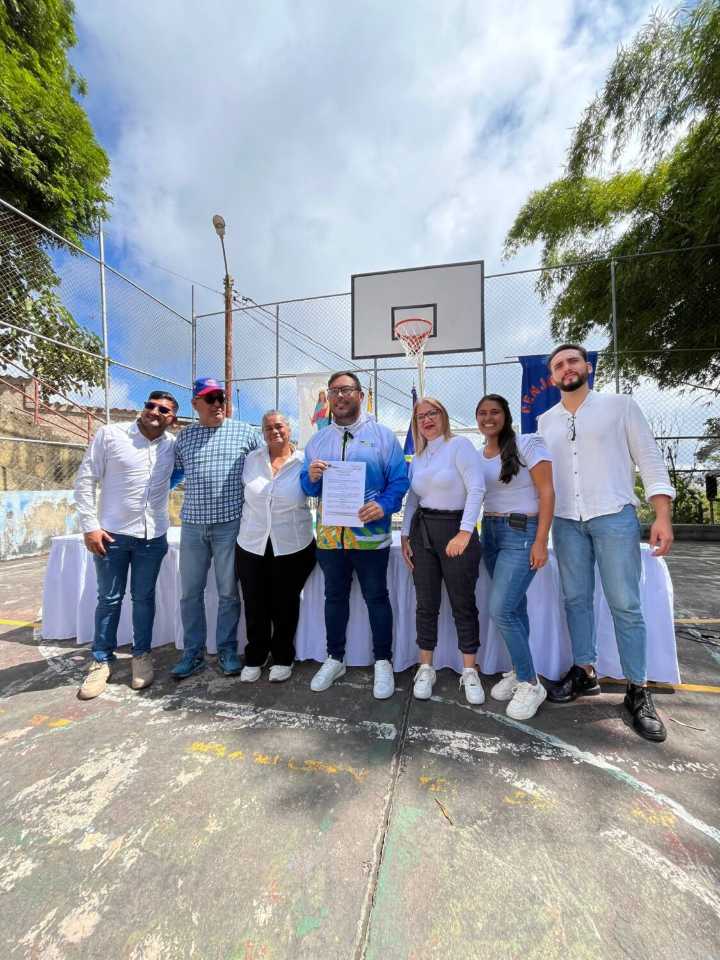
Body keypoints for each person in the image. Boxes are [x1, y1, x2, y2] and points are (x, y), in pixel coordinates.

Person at [538, 344, 675, 742]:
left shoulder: (621, 406)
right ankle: (585, 672)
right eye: (559, 365)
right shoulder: (545, 421)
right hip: (566, 522)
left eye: (572, 361)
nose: (566, 369)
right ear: (552, 377)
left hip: (614, 517)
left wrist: (661, 515)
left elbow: (649, 459)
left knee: (626, 605)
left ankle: (638, 689)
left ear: (587, 367)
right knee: (575, 600)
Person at [300, 371, 409, 698]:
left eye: (347, 390)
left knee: (376, 598)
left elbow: (400, 481)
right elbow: (306, 488)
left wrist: (384, 506)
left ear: (361, 396)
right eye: (334, 391)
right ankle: (335, 658)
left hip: (370, 539)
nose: (340, 396)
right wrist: (313, 477)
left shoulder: (383, 436)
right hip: (331, 540)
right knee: (333, 598)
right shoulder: (318, 440)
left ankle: (383, 662)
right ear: (329, 398)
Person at [74, 390, 179, 699]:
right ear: (143, 408)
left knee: (144, 598)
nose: (155, 412)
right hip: (112, 535)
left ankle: (141, 656)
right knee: (109, 599)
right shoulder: (110, 434)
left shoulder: (172, 446)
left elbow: (179, 474)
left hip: (153, 536)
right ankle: (100, 660)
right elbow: (85, 479)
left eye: (164, 410)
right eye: (151, 405)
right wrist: (90, 526)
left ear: (172, 419)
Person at [171, 378, 261, 680]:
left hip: (229, 526)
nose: (217, 404)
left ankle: (226, 650)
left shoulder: (245, 433)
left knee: (227, 593)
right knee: (190, 594)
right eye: (209, 399)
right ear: (195, 403)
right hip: (193, 527)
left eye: (220, 397)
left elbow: (267, 464)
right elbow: (173, 474)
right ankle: (193, 653)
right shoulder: (184, 438)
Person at [401, 398, 485, 704]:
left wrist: (464, 532)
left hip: (456, 531)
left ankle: (470, 671)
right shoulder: (420, 455)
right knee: (426, 603)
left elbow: (477, 488)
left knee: (463, 603)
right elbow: (413, 498)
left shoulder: (459, 446)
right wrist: (405, 534)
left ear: (444, 415)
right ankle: (426, 667)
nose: (426, 419)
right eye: (420, 416)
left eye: (432, 413)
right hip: (423, 533)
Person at [476, 394, 554, 720]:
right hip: (490, 532)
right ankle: (519, 670)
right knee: (515, 607)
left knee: (501, 609)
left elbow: (547, 491)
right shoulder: (478, 454)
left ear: (506, 416)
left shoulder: (528, 443)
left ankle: (531, 683)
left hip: (521, 532)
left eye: (495, 412)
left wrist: (541, 540)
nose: (488, 418)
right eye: (482, 413)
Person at [236, 410, 316, 683]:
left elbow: (316, 491)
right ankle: (256, 655)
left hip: (293, 545)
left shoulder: (304, 461)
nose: (274, 431)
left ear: (289, 429)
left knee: (285, 603)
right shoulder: (251, 460)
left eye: (279, 426)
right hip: (252, 543)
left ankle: (283, 656)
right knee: (255, 602)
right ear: (263, 432)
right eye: (268, 428)